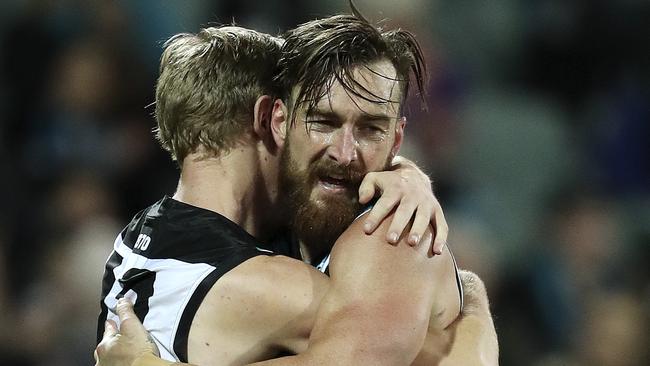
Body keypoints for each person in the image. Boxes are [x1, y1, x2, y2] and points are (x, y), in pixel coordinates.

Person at [97, 10, 497, 366]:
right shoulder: (270, 285)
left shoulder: (136, 242)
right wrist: (472, 298)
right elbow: (397, 352)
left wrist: (409, 175)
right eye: (321, 121)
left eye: (371, 129)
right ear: (273, 120)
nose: (343, 153)